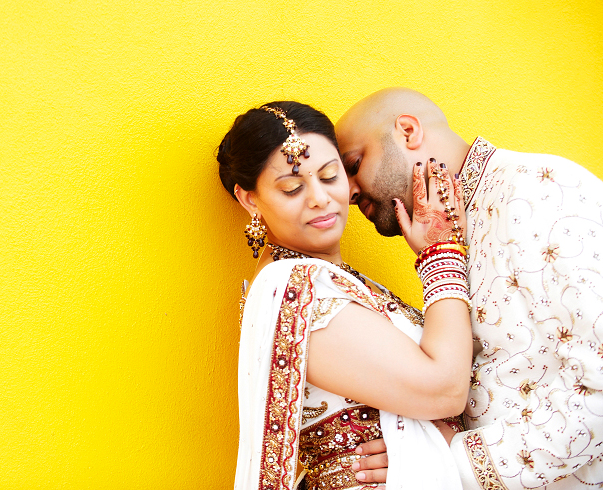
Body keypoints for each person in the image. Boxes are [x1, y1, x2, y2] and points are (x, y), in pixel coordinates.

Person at [336, 87, 603, 488]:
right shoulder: (444, 230)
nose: (349, 190)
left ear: (408, 131)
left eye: (354, 164)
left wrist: (448, 460)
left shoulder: (540, 190)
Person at [220, 101, 474, 490]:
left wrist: (425, 446)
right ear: (250, 200)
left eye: (329, 175)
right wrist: (441, 253)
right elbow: (445, 389)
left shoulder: (330, 280)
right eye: (292, 188)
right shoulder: (298, 289)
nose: (319, 198)